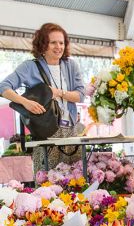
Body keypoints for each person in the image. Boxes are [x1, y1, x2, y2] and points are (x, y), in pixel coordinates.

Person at [0, 23, 86, 175]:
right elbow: (3, 87)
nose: (58, 47)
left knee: (76, 180)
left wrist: (58, 92)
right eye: (53, 42)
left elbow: (80, 95)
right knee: (47, 181)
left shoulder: (71, 66)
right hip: (46, 131)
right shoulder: (30, 67)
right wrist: (26, 103)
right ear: (43, 44)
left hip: (71, 130)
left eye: (61, 42)